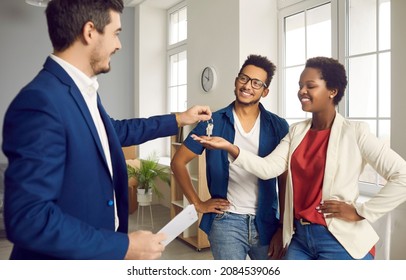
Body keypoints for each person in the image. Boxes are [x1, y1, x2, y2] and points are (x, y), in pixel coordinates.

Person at [1, 0, 211, 260]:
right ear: (90, 32)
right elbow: (29, 218)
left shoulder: (83, 91)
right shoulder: (40, 102)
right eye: (116, 33)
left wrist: (179, 118)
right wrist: (123, 247)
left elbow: (117, 131)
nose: (119, 45)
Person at [192, 56, 406, 260]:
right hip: (300, 239)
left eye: (310, 86)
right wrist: (231, 148)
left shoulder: (356, 132)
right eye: (300, 85)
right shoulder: (296, 132)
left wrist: (360, 211)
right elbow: (268, 168)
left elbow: (402, 175)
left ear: (332, 91)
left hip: (338, 238)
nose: (301, 91)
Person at [171, 54, 289, 260]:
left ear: (265, 91)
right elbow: (178, 162)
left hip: (267, 222)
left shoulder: (278, 126)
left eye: (256, 83)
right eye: (243, 78)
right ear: (236, 81)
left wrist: (282, 227)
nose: (247, 86)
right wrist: (197, 203)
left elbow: (284, 178)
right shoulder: (212, 122)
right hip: (226, 222)